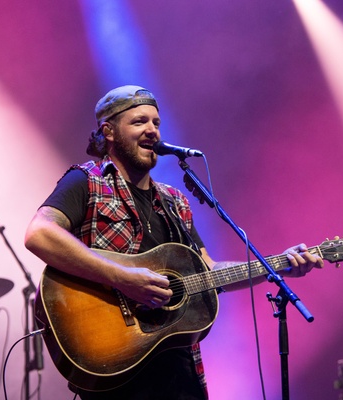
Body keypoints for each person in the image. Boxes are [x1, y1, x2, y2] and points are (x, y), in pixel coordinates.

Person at [24, 85, 323, 400]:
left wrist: (276, 266)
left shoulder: (175, 201)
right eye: (139, 122)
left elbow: (209, 270)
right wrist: (122, 277)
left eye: (156, 122)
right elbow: (39, 234)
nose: (152, 130)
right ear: (108, 132)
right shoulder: (86, 183)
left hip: (180, 372)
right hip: (118, 368)